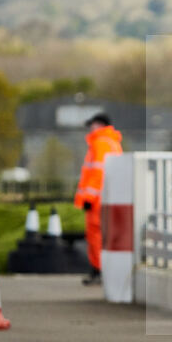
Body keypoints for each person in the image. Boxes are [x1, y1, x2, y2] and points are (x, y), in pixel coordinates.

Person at [74, 113, 123, 285]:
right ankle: (102, 270)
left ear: (99, 125)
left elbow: (97, 173)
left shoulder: (100, 143)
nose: (90, 128)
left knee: (95, 235)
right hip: (109, 197)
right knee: (105, 235)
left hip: (98, 200)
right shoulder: (112, 142)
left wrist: (88, 197)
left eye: (92, 125)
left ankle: (99, 270)